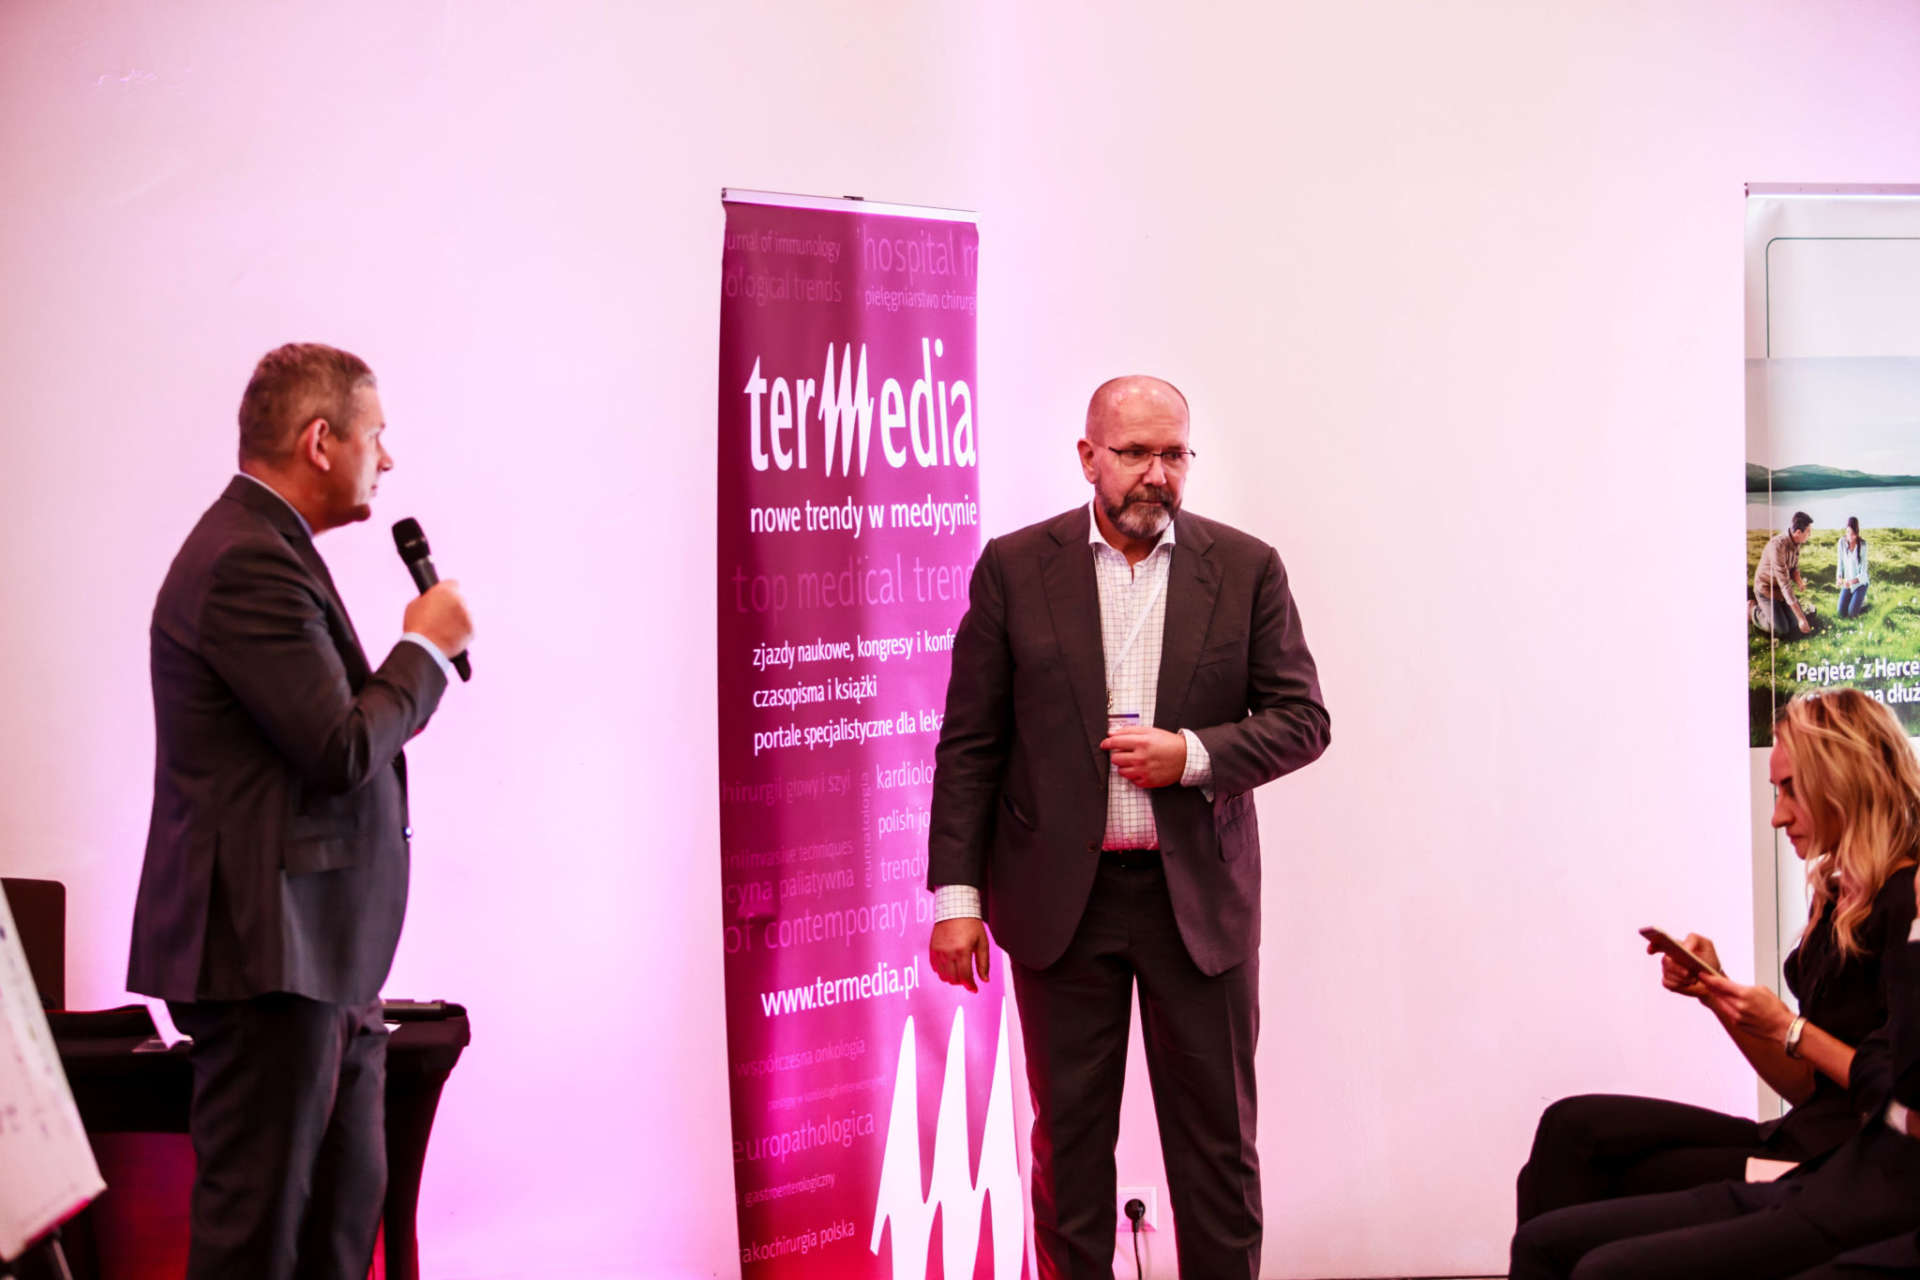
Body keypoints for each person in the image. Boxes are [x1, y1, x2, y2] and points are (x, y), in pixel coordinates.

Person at [925, 375, 1330, 1278]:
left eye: (1174, 453)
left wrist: (1191, 755)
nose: (1157, 473)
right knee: (1069, 1155)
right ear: (1088, 457)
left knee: (1218, 1158)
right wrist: (957, 899)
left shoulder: (1247, 568)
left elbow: (1303, 721)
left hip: (1200, 908)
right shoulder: (1015, 568)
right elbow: (971, 744)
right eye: (1136, 453)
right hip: (1060, 908)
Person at [126, 343, 473, 1280]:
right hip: (269, 961)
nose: (387, 458)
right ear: (321, 441)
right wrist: (423, 653)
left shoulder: (271, 548)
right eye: (375, 436)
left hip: (323, 960)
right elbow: (340, 748)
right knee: (259, 1245)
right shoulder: (244, 559)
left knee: (336, 1231)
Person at [1510, 690, 1920, 1280]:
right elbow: (1802, 1084)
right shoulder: (1838, 897)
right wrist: (1717, 993)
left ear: (1843, 782)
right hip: (1797, 1132)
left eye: (1791, 790)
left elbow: (1889, 1089)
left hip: (1831, 1162)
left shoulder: (1905, 904)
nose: (1778, 815)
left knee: (1588, 1195)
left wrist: (1793, 1029)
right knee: (1571, 1127)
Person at [1755, 511, 1817, 637]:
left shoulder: (1796, 543)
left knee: (1793, 624)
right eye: (1808, 532)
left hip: (1780, 591)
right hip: (1766, 589)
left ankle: (1781, 609)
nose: (1809, 535)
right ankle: (1753, 611)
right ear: (1798, 532)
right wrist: (1801, 618)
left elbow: (1793, 568)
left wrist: (1799, 581)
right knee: (1782, 629)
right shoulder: (1777, 546)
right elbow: (1785, 584)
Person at [1838, 517, 1870, 619]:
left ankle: (1863, 603)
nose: (1850, 536)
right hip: (1848, 583)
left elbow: (1863, 572)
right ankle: (1855, 600)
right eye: (1848, 532)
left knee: (1852, 614)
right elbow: (1840, 562)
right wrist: (1839, 578)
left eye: (1853, 534)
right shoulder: (1842, 542)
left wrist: (1851, 582)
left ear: (1857, 533)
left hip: (1860, 584)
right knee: (1841, 613)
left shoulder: (1863, 545)